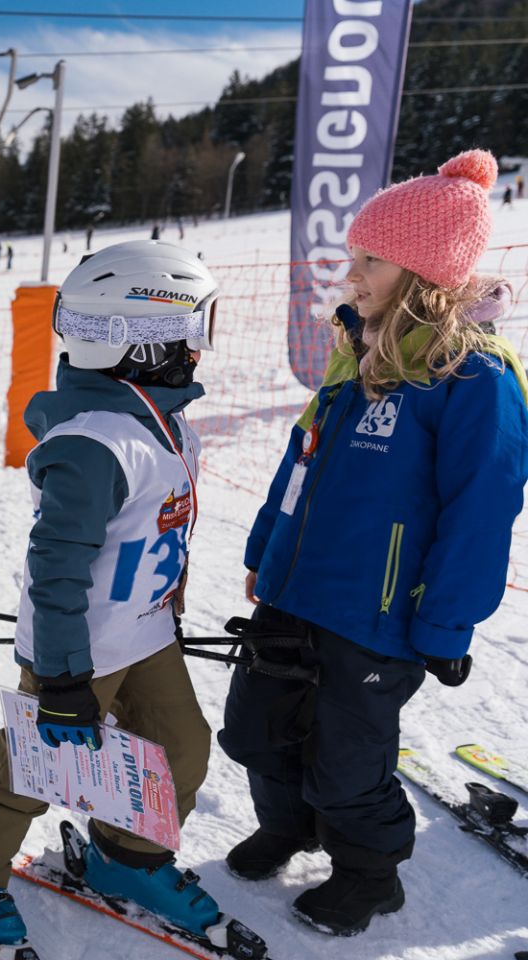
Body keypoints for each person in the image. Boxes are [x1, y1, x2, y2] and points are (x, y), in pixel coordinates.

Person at [219, 150, 528, 936]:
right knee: (258, 727)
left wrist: (447, 623)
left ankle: (368, 873)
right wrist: (265, 548)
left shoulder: (473, 377)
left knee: (347, 762)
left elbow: (481, 512)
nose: (350, 276)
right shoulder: (354, 356)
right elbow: (301, 463)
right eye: (353, 257)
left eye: (369, 261)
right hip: (295, 590)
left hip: (380, 614)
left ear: (423, 274)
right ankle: (287, 826)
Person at [0, 240, 231, 955]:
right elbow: (56, 566)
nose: (199, 346)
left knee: (180, 748)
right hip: (79, 649)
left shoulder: (158, 418)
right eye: (192, 327)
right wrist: (62, 678)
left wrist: (169, 598)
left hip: (146, 634)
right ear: (141, 339)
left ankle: (126, 856)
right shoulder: (96, 443)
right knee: (36, 767)